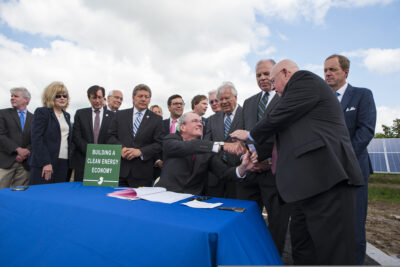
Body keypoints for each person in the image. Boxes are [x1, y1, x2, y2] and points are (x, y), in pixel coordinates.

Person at [231, 59, 364, 265]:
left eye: (274, 80)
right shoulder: (298, 100)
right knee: (302, 246)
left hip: (327, 179)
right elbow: (285, 134)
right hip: (306, 187)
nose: (273, 86)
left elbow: (278, 116)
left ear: (286, 72)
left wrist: (250, 134)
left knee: (332, 250)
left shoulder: (304, 79)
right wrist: (257, 156)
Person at [324, 54, 377, 265]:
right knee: (330, 224)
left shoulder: (362, 95)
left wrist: (342, 160)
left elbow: (365, 131)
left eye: (333, 70)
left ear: (345, 72)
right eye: (325, 70)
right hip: (326, 174)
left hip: (354, 171)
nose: (327, 73)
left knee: (354, 226)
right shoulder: (321, 100)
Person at [238, 59, 291, 255]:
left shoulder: (286, 98)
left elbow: (287, 134)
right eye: (258, 75)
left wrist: (268, 160)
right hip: (251, 173)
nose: (262, 78)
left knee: (277, 223)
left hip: (275, 174)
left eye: (267, 73)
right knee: (247, 219)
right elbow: (247, 136)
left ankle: (272, 258)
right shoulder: (249, 102)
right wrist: (250, 159)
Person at [157, 112, 251, 195]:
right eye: (195, 121)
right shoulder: (170, 140)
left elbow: (224, 173)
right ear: (182, 127)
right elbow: (189, 146)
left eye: (201, 122)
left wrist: (243, 168)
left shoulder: (206, 150)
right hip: (165, 196)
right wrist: (222, 145)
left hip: (192, 201)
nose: (200, 124)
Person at [108, 84, 163, 187]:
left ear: (149, 100)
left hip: (142, 174)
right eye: (140, 96)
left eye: (146, 97)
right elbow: (111, 136)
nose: (143, 99)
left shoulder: (156, 119)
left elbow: (159, 144)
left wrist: (140, 152)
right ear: (133, 98)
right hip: (119, 171)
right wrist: (121, 149)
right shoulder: (120, 115)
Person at [29, 82, 72, 185]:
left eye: (64, 95)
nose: (62, 98)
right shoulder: (42, 112)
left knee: (58, 195)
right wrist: (46, 162)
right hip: (46, 163)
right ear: (51, 96)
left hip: (64, 162)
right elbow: (37, 139)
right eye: (58, 95)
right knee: (41, 195)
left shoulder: (67, 115)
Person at [204, 81, 243, 199]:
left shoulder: (246, 114)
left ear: (235, 97)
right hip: (216, 177)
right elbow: (207, 144)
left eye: (227, 98)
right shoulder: (212, 119)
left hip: (240, 176)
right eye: (221, 99)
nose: (224, 102)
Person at [71, 85, 115, 181]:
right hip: (83, 162)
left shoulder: (113, 116)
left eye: (99, 97)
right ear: (89, 98)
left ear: (104, 98)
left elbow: (113, 137)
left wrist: (101, 153)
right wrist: (92, 152)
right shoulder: (80, 114)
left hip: (105, 164)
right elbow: (76, 137)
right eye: (94, 98)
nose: (97, 101)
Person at [0, 87, 33, 188]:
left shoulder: (35, 118)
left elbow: (36, 138)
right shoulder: (2, 113)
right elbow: (1, 135)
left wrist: (26, 151)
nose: (12, 98)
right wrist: (18, 150)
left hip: (25, 164)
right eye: (11, 96)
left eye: (16, 96)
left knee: (19, 195)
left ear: (26, 100)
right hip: (5, 161)